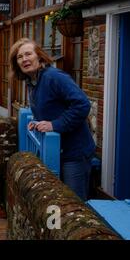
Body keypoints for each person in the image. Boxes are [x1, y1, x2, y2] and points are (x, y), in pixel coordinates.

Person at [9, 38, 96, 200]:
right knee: (60, 199)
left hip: (74, 153)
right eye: (19, 57)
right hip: (59, 150)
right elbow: (52, 108)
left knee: (74, 203)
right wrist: (38, 122)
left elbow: (82, 104)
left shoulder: (54, 77)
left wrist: (54, 125)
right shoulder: (33, 81)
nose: (24, 59)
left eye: (28, 54)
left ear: (40, 57)